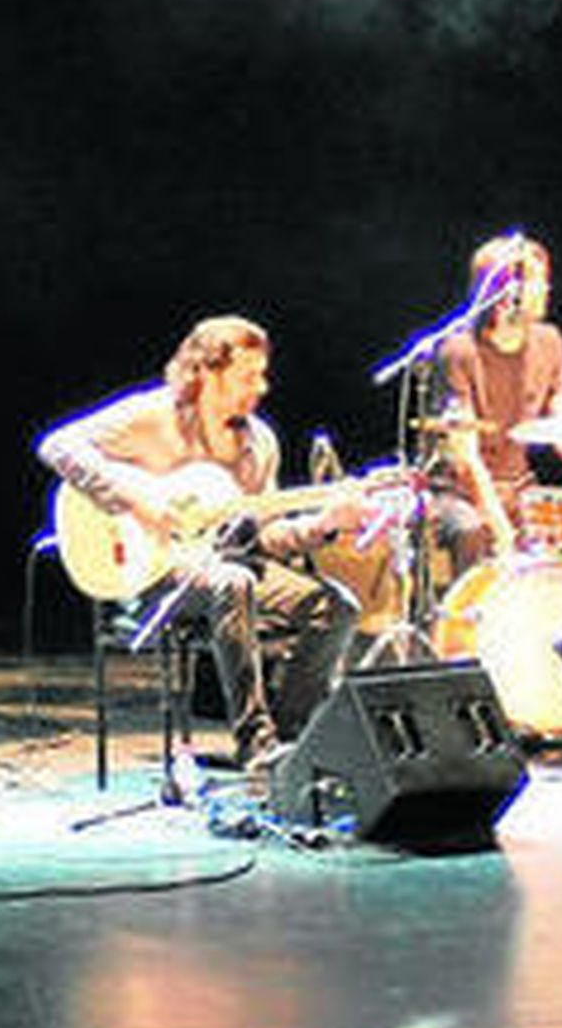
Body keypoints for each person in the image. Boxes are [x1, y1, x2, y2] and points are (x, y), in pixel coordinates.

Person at [37, 315, 367, 771]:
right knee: (231, 581)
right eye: (248, 376)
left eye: (262, 374)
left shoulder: (259, 443)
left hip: (228, 567)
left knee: (338, 606)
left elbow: (263, 537)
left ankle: (295, 735)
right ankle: (256, 744)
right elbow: (58, 445)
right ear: (207, 373)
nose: (262, 387)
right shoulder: (152, 417)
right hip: (154, 573)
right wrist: (137, 501)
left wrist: (325, 523)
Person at [430, 233, 562, 575]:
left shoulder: (551, 341)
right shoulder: (458, 352)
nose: (547, 290)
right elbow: (465, 457)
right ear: (505, 294)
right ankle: (463, 627)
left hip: (519, 487)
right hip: (459, 494)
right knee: (472, 531)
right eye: (538, 283)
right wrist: (498, 524)